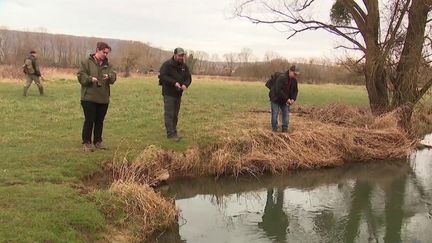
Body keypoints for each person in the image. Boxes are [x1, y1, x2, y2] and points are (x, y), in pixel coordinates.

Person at [77, 42, 117, 152]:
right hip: (88, 97)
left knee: (100, 121)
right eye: (104, 52)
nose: (105, 54)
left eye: (107, 53)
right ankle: (86, 142)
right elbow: (81, 76)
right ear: (97, 50)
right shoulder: (86, 62)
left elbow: (114, 77)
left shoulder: (108, 65)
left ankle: (98, 142)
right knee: (89, 120)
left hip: (103, 98)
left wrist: (109, 76)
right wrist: (90, 79)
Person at [158, 47, 192, 142]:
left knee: (175, 115)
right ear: (174, 55)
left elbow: (188, 78)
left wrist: (185, 84)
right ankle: (170, 134)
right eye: (179, 55)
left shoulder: (184, 67)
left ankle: (174, 131)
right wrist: (174, 83)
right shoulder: (167, 65)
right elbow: (162, 76)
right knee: (169, 113)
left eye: (182, 56)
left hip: (178, 94)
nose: (181, 57)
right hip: (168, 93)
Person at [269, 65, 299, 132]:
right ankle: (274, 129)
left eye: (296, 75)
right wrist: (287, 99)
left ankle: (285, 129)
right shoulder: (282, 78)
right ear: (290, 71)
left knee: (286, 114)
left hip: (285, 100)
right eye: (294, 74)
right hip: (275, 99)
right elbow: (278, 90)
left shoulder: (294, 80)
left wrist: (293, 99)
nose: (295, 76)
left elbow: (295, 91)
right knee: (275, 114)